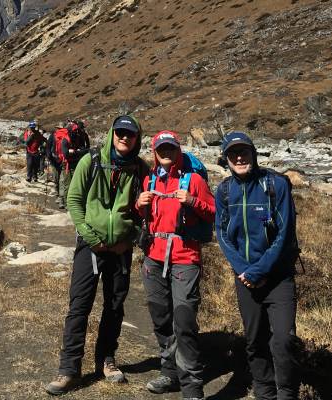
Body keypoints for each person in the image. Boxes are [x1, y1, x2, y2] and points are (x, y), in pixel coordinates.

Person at [45, 115, 148, 396]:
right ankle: (68, 369)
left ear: (138, 138)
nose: (124, 138)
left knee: (114, 306)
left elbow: (145, 212)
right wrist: (91, 237)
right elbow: (74, 201)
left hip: (120, 249)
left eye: (130, 134)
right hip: (90, 247)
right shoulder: (90, 162)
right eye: (120, 133)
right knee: (79, 306)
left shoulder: (140, 168)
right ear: (113, 134)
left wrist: (128, 239)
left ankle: (107, 359)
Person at [215, 131, 300, 400]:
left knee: (284, 341)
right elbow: (223, 234)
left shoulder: (276, 184)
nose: (239, 157)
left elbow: (285, 233)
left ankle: (287, 394)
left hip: (278, 277)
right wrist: (245, 271)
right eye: (233, 153)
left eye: (244, 152)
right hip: (245, 279)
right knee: (254, 341)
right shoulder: (224, 190)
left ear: (254, 153)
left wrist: (260, 270)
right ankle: (264, 393)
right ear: (225, 159)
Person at [135, 131, 215, 399]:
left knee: (184, 319)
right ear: (154, 152)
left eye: (170, 148)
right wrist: (139, 203)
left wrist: (192, 201)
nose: (166, 152)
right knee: (161, 317)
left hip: (185, 257)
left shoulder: (193, 180)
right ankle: (169, 373)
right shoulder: (149, 179)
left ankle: (192, 386)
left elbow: (214, 211)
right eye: (161, 149)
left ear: (178, 150)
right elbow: (145, 217)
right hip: (153, 256)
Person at [53, 120, 89, 208]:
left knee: (74, 184)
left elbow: (85, 150)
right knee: (67, 185)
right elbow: (66, 154)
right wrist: (78, 152)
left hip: (75, 163)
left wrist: (74, 152)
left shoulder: (78, 137)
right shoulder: (65, 140)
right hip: (67, 165)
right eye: (75, 131)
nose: (77, 133)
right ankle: (67, 204)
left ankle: (71, 203)